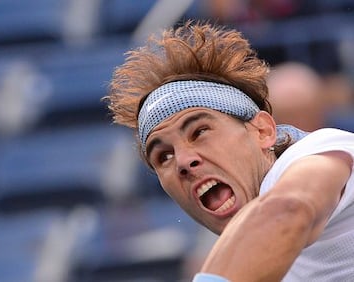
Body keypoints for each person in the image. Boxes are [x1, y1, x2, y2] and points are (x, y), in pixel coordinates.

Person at [104, 21, 354, 281]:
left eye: (199, 132)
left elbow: (288, 208)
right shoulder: (250, 256)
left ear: (263, 131)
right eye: (163, 156)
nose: (183, 161)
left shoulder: (319, 150)